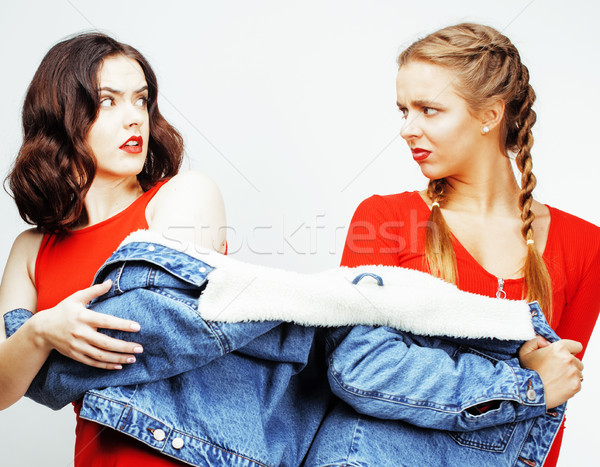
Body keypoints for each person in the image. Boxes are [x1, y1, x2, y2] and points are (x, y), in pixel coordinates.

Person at [307, 23, 600, 466]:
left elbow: (552, 403)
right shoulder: (385, 219)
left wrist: (538, 388)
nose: (407, 128)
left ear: (490, 115)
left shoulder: (585, 244)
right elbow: (359, 369)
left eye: (429, 110)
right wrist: (523, 384)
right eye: (403, 110)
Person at [0, 32, 226, 465]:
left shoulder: (184, 194)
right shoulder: (29, 249)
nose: (134, 118)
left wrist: (33, 357)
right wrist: (41, 331)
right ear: (61, 117)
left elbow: (152, 337)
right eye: (108, 102)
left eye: (141, 101)